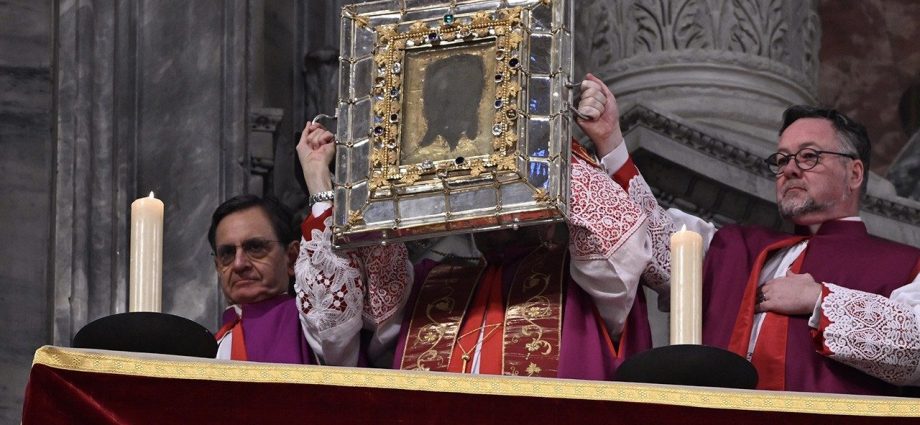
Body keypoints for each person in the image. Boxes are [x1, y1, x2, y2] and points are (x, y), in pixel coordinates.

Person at [577, 73, 920, 394]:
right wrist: (611, 140)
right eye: (782, 159)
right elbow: (647, 241)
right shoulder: (733, 248)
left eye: (809, 156)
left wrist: (820, 299)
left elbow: (915, 350)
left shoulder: (904, 264)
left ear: (855, 173)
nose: (789, 169)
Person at [292, 97, 664, 378]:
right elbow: (335, 337)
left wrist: (539, 131)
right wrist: (322, 186)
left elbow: (625, 247)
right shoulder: (427, 283)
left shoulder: (587, 280)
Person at [207, 195, 316, 364]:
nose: (238, 264)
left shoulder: (316, 324)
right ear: (218, 267)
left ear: (292, 257)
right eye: (227, 253)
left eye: (255, 247)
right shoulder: (210, 346)